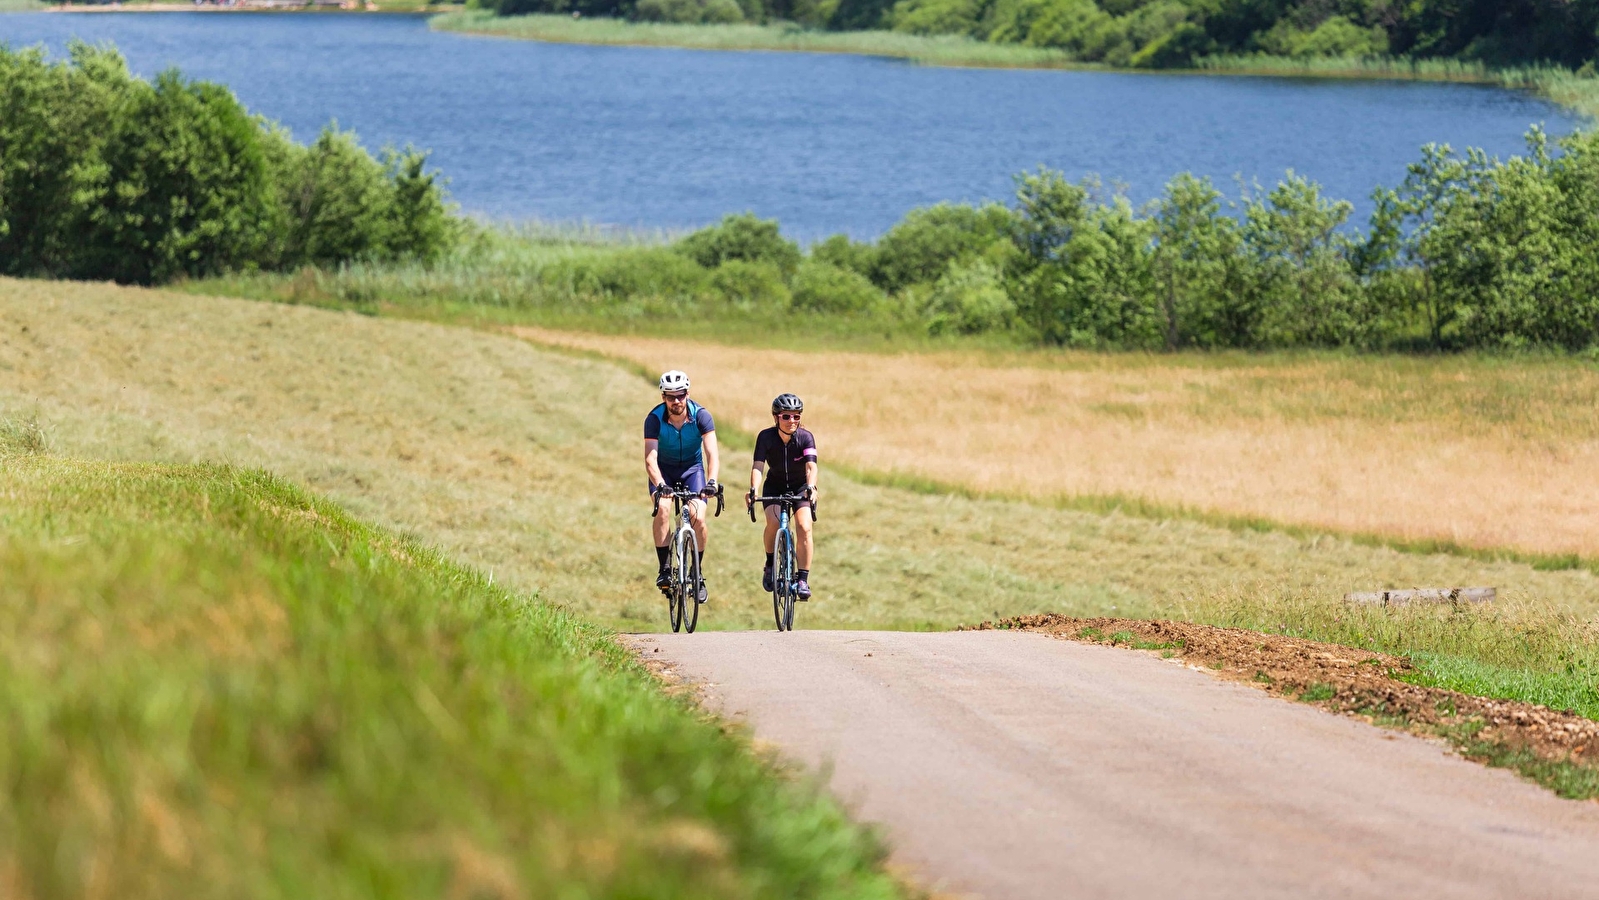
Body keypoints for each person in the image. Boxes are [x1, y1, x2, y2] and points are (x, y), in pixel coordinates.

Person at [644, 370, 720, 603]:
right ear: (663, 397)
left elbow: (712, 454)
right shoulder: (654, 419)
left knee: (698, 517)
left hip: (692, 470)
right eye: (670, 396)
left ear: (687, 393)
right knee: (664, 508)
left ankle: (697, 575)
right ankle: (665, 569)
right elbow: (650, 459)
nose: (676, 401)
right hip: (664, 471)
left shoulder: (701, 416)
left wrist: (712, 482)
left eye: (680, 395)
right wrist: (660, 485)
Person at [746, 393, 817, 600]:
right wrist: (753, 489)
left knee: (804, 526)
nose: (792, 421)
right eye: (786, 416)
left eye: (796, 416)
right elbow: (758, 466)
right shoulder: (765, 437)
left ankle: (802, 579)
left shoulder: (806, 437)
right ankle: (770, 563)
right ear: (776, 417)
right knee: (774, 522)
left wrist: (811, 487)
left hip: (800, 487)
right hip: (775, 487)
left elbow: (811, 466)